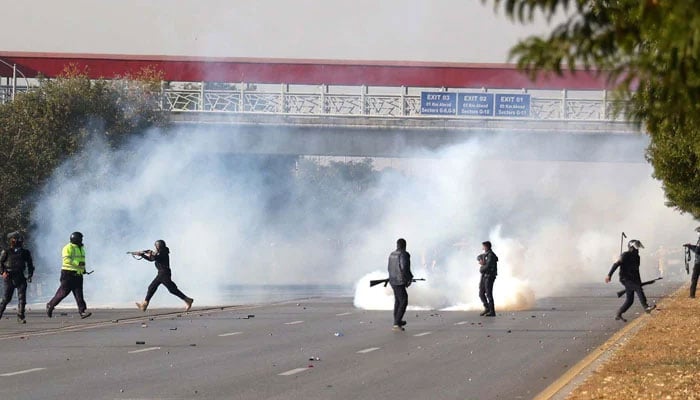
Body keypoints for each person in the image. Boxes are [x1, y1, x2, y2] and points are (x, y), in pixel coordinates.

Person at [133, 240, 193, 312]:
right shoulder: (161, 252)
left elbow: (154, 257)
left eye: (156, 247)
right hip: (162, 273)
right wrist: (142, 255)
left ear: (158, 247)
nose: (155, 248)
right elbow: (151, 259)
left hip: (164, 274)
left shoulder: (162, 253)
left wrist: (148, 253)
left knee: (170, 289)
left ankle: (188, 300)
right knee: (156, 288)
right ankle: (144, 304)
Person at [605, 239, 656, 322]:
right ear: (631, 248)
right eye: (636, 248)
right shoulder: (625, 255)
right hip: (625, 278)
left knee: (630, 300)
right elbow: (616, 264)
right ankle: (646, 307)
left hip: (633, 279)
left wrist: (639, 282)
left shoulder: (637, 257)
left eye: (638, 248)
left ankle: (619, 313)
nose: (637, 250)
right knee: (638, 288)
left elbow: (636, 271)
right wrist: (609, 275)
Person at [46, 232, 91, 319]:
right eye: (80, 239)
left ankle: (82, 311)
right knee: (63, 293)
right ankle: (50, 305)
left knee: (79, 294)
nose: (82, 240)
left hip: (78, 274)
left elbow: (82, 261)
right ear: (76, 239)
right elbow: (67, 260)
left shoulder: (81, 248)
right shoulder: (67, 248)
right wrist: (78, 264)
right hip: (68, 274)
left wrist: (83, 270)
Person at [0, 232, 34, 323]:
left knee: (22, 298)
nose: (18, 240)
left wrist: (30, 274)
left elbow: (30, 264)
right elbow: (1, 263)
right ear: (11, 240)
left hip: (20, 276)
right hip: (9, 277)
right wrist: (2, 272)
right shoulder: (6, 251)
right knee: (6, 298)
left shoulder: (25, 252)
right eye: (16, 238)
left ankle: (21, 316)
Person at [388, 238, 412, 331]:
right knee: (403, 301)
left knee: (398, 301)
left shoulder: (392, 254)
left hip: (392, 280)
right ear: (405, 245)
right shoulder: (404, 254)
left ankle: (397, 320)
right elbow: (404, 267)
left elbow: (389, 268)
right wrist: (408, 278)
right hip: (399, 281)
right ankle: (397, 323)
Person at [478, 241, 498, 317]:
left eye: (483, 246)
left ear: (486, 247)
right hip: (484, 276)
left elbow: (487, 266)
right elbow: (479, 256)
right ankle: (487, 308)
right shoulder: (485, 254)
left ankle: (492, 311)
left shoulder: (491, 255)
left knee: (489, 293)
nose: (482, 248)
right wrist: (480, 260)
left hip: (489, 276)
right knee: (481, 293)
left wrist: (482, 267)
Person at [683, 227, 700, 298]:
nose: (697, 233)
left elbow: (697, 251)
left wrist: (690, 247)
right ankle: (691, 295)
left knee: (694, 278)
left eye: (698, 231)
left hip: (698, 262)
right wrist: (690, 246)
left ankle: (692, 295)